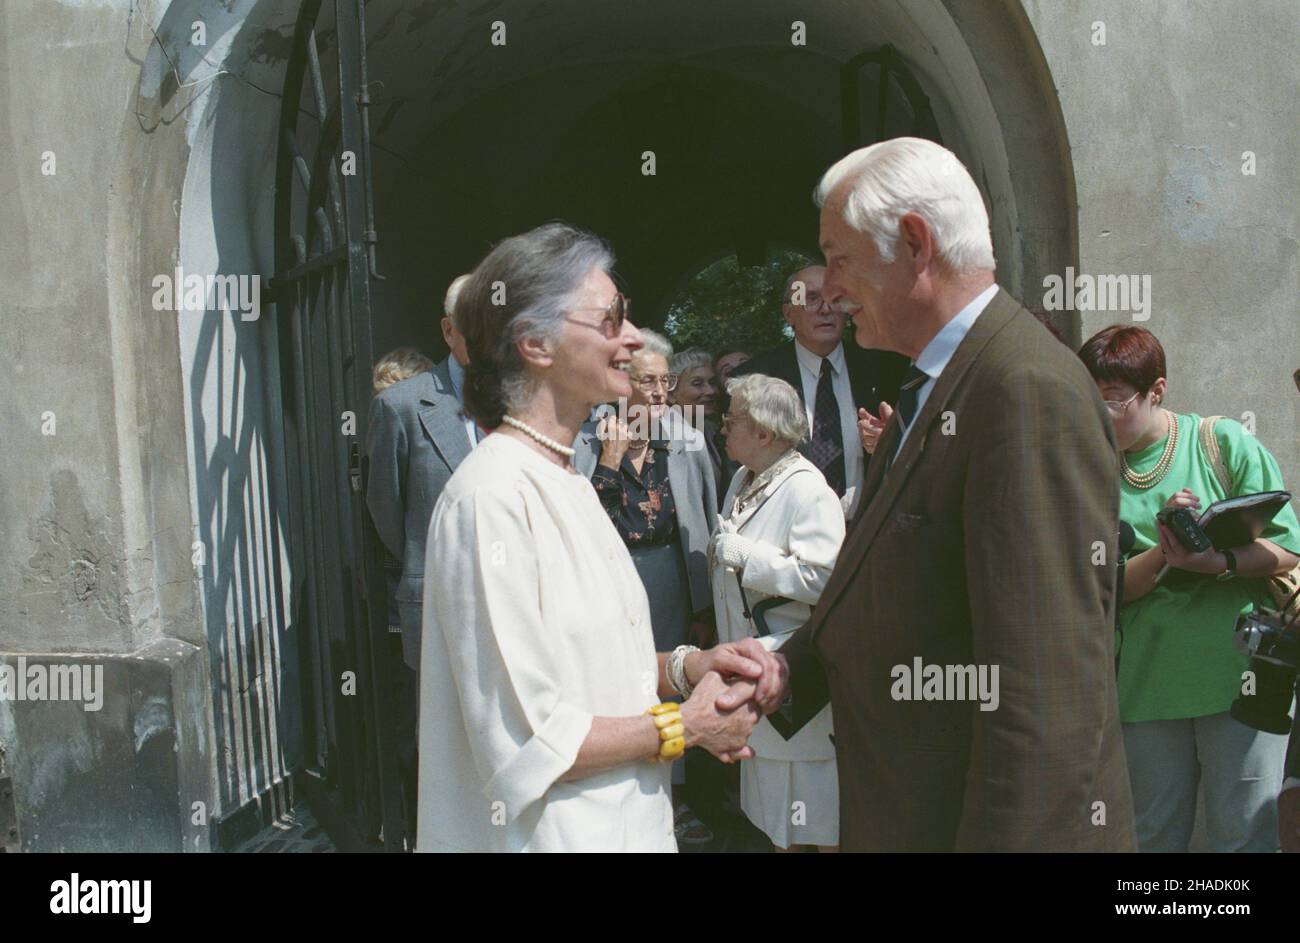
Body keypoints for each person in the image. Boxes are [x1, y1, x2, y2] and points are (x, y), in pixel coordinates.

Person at [723, 136, 1137, 851]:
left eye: (840, 258)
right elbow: (894, 585)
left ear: (915, 242)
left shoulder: (1021, 391)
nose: (830, 285)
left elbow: (1043, 697)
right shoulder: (936, 383)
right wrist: (787, 668)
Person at [417, 223, 770, 852]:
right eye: (611, 321)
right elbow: (527, 739)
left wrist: (690, 667)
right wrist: (685, 726)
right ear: (534, 344)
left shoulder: (567, 474)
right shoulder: (491, 500)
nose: (633, 339)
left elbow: (596, 668)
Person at [1077, 324, 1300, 852]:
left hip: (1241, 680)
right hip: (1144, 687)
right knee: (1151, 837)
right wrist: (1168, 548)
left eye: (1113, 401)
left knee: (1245, 832)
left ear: (1157, 391)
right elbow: (1104, 590)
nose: (1101, 415)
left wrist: (1216, 559)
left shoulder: (1221, 442)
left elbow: (1287, 547)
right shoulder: (1088, 469)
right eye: (1090, 399)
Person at [572, 328, 719, 843]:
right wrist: (610, 460)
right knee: (614, 682)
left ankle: (673, 803)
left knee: (671, 685)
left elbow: (704, 518)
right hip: (608, 578)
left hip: (668, 577)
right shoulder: (586, 438)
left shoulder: (687, 438)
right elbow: (579, 518)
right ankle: (617, 792)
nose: (659, 393)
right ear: (620, 385)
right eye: (646, 382)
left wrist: (703, 600)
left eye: (664, 382)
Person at [711, 374, 845, 851]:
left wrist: (749, 559)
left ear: (764, 434)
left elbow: (826, 579)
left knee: (814, 823)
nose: (723, 427)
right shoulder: (745, 479)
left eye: (732, 420)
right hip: (755, 677)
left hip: (796, 685)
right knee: (776, 823)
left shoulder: (807, 490)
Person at [365, 277, 475, 839]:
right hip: (438, 602)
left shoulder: (528, 396)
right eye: (473, 323)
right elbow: (387, 509)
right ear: (448, 330)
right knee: (442, 744)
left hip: (519, 604)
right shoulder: (402, 407)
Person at [731, 265, 906, 517]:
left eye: (836, 299)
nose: (826, 309)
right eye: (811, 299)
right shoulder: (757, 378)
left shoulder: (884, 367)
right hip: (785, 530)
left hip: (868, 527)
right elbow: (736, 457)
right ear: (789, 314)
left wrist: (889, 441)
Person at [669, 347, 734, 500]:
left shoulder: (714, 432)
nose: (711, 391)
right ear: (671, 394)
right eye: (697, 384)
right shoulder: (662, 439)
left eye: (712, 382)